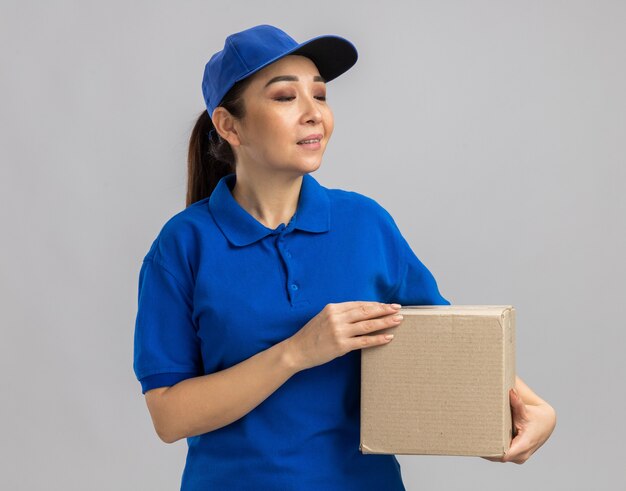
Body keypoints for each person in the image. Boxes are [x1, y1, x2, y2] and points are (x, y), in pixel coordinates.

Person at [133, 24, 556, 490]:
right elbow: (169, 416)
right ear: (228, 125)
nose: (314, 114)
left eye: (320, 95)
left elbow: (446, 339)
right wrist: (298, 352)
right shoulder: (182, 245)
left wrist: (530, 407)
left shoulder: (364, 224)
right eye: (284, 97)